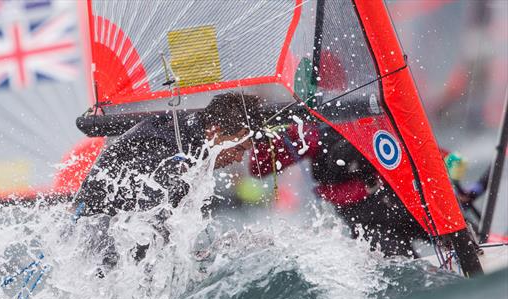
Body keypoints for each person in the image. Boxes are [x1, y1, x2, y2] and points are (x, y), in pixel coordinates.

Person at [73, 92, 266, 265]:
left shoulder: (190, 134)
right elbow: (149, 228)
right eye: (238, 148)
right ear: (215, 131)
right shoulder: (170, 151)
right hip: (95, 236)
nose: (239, 158)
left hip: (112, 233)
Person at [247, 120, 429, 257]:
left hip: (408, 201)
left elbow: (417, 144)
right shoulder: (308, 129)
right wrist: (263, 141)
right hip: (368, 222)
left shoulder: (373, 107)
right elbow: (259, 168)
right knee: (400, 266)